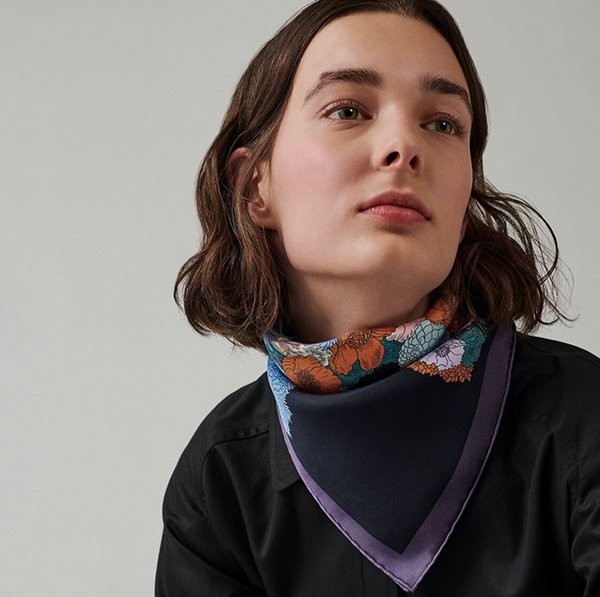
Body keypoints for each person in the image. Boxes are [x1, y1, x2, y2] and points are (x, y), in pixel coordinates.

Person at [155, 0, 600, 595]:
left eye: (443, 124)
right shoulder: (220, 478)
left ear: (465, 196)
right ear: (255, 184)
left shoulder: (582, 415)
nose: (403, 145)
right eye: (347, 110)